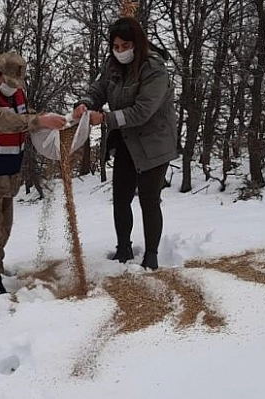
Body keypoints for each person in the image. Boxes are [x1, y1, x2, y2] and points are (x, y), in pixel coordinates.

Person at [73, 17, 178, 270]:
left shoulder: (154, 68)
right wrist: (86, 102)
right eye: (116, 47)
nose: (120, 51)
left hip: (153, 142)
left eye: (125, 46)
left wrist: (105, 118)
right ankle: (123, 248)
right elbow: (100, 88)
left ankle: (151, 254)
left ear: (137, 43)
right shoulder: (113, 65)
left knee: (149, 200)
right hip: (125, 141)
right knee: (121, 197)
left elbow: (143, 111)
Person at [0, 51, 66, 307]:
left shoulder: (18, 95)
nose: (13, 88)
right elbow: (0, 120)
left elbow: (25, 117)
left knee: (3, 229)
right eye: (8, 82)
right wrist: (37, 121)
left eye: (17, 83)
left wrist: (49, 124)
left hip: (6, 177)